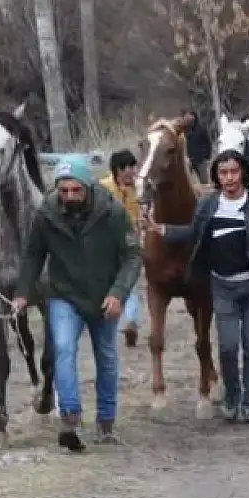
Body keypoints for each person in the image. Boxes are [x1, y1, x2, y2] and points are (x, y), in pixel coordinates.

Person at [150, 149, 249, 424]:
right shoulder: (208, 205)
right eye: (223, 173)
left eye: (234, 172)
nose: (229, 178)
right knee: (227, 347)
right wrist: (162, 230)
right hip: (222, 287)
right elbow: (193, 232)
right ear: (216, 176)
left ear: (244, 174)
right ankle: (231, 397)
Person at [14, 156, 141, 452]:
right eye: (64, 190)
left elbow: (133, 256)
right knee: (63, 349)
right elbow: (33, 254)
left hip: (104, 295)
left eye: (76, 190)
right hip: (64, 294)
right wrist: (22, 292)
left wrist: (119, 293)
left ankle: (106, 421)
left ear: (88, 187)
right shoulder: (46, 215)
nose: (69, 196)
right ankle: (70, 419)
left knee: (106, 356)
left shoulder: (112, 212)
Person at [98, 149, 145, 348]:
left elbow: (140, 216)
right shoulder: (103, 188)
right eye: (128, 168)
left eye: (134, 167)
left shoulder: (138, 189)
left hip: (129, 243)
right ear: (117, 170)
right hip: (106, 245)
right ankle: (109, 317)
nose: (132, 172)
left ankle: (130, 323)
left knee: (132, 283)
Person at [183, 108, 213, 187]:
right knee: (186, 182)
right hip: (188, 160)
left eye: (190, 117)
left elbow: (207, 143)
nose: (189, 119)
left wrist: (207, 157)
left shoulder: (201, 130)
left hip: (200, 160)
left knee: (204, 183)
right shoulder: (184, 131)